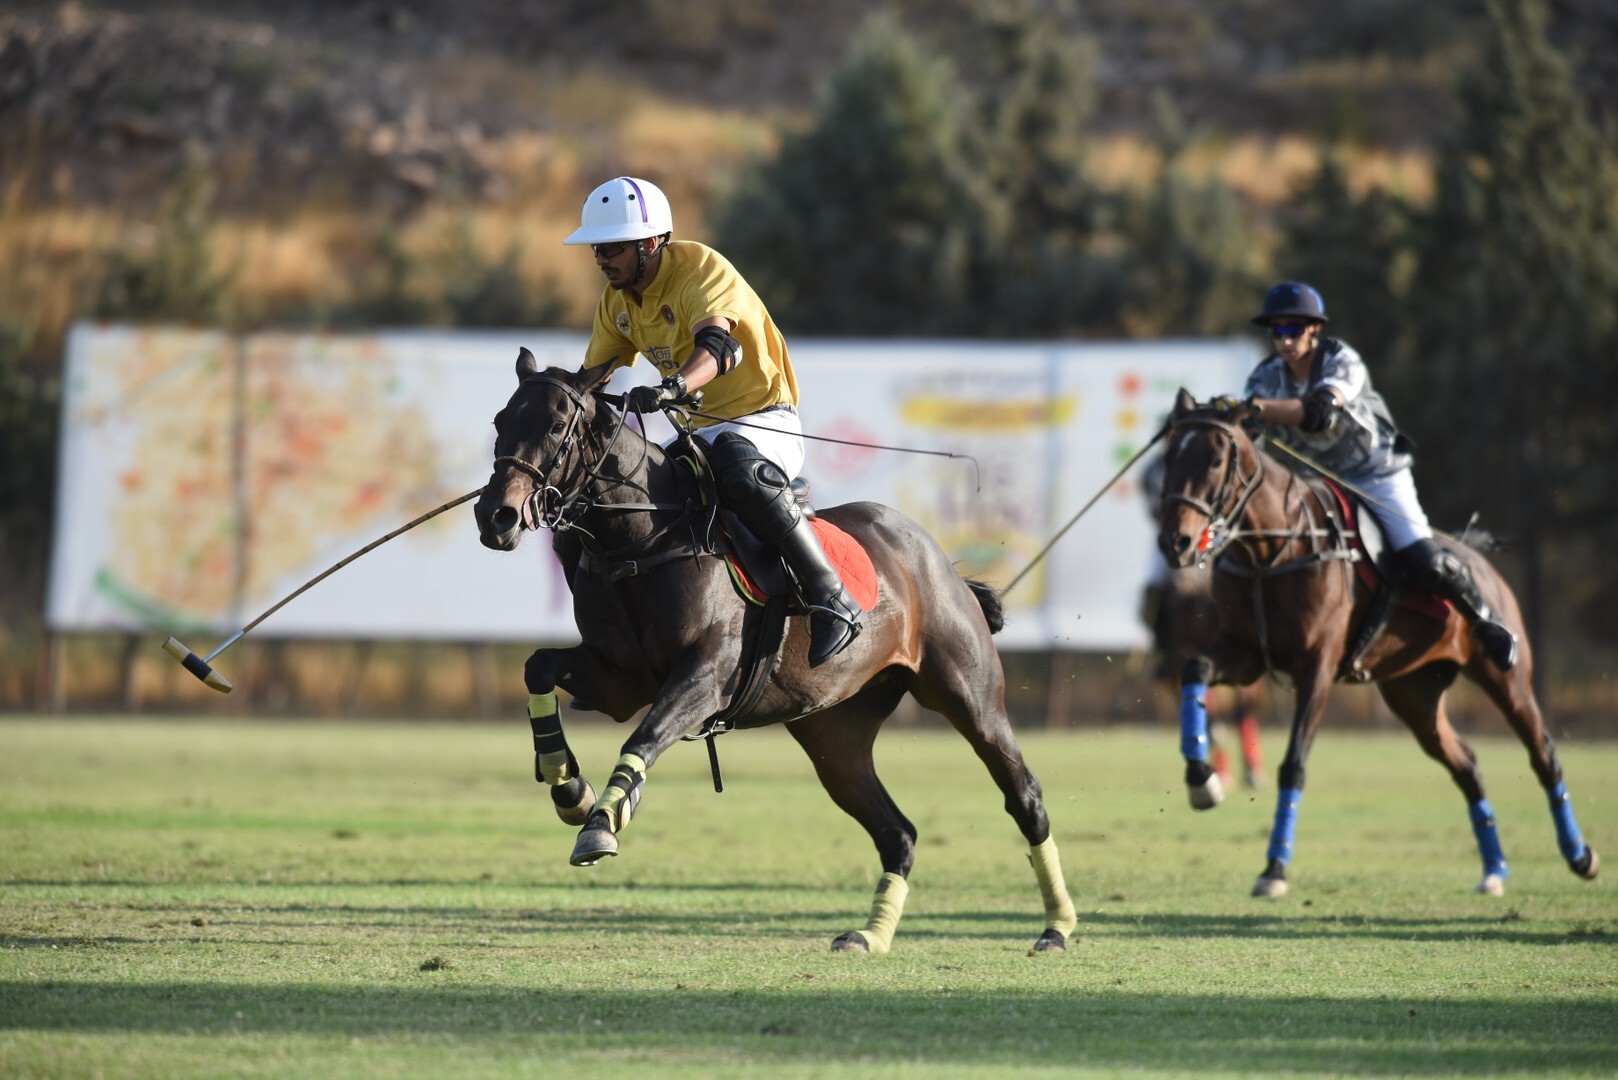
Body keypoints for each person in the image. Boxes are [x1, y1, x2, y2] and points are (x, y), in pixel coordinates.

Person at [561, 175, 862, 667]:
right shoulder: (615, 303)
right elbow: (592, 376)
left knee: (737, 465)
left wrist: (670, 388)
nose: (601, 258)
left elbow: (719, 348)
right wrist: (555, 401)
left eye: (612, 247)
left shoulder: (700, 268)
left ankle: (832, 598)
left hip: (763, 421)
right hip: (699, 434)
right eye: (598, 248)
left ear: (652, 241)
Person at [1239, 281, 1517, 670]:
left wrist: (1255, 408)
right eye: (1277, 330)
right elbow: (1245, 432)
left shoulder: (1342, 361)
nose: (1284, 340)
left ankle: (1488, 621)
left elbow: (1319, 412)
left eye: (1294, 329)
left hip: (1375, 475)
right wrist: (1215, 418)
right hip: (1317, 483)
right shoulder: (1265, 377)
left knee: (1422, 558)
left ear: (1315, 330)